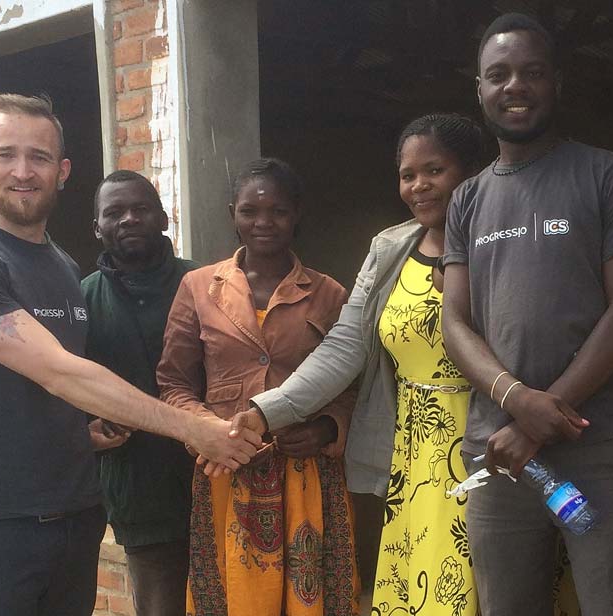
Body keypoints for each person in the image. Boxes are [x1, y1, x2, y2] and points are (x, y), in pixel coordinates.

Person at [0, 93, 261, 616]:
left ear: (63, 170)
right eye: (6, 154)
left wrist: (81, 433)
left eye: (40, 156)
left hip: (76, 515)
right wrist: (195, 427)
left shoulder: (59, 266)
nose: (23, 171)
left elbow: (32, 394)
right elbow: (59, 372)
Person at [248, 114, 580, 616]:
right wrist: (266, 411)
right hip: (415, 456)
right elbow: (344, 349)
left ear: (472, 173)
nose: (419, 185)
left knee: (494, 593)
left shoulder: (511, 241)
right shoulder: (389, 250)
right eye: (408, 174)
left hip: (497, 446)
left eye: (435, 170)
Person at [440, 13, 613, 616]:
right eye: (498, 75)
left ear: (557, 82)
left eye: (532, 73)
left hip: (591, 455)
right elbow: (456, 322)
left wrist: (541, 414)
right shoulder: (468, 197)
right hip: (502, 460)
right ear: (479, 89)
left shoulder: (606, 173)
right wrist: (516, 401)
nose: (516, 86)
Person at [157, 158, 359, 615]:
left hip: (305, 469)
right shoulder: (198, 287)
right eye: (250, 211)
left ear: (297, 214)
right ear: (233, 214)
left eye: (278, 212)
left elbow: (350, 381)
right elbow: (173, 381)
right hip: (226, 467)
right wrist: (206, 429)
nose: (263, 223)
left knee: (312, 596)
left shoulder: (329, 294)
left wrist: (329, 427)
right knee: (231, 596)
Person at [81, 170, 199, 616]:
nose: (129, 219)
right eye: (114, 212)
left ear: (164, 218)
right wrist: (88, 427)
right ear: (97, 228)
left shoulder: (206, 285)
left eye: (140, 208)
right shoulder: (82, 300)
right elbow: (66, 384)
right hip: (138, 491)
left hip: (215, 478)